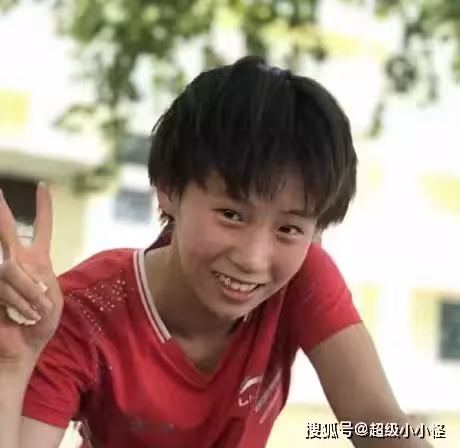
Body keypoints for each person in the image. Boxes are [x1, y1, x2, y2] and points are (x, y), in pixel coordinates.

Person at [0, 56, 432, 448]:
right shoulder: (84, 311)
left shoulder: (302, 279)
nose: (253, 258)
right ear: (169, 189)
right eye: (231, 214)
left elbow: (378, 423)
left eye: (288, 228)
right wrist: (11, 362)